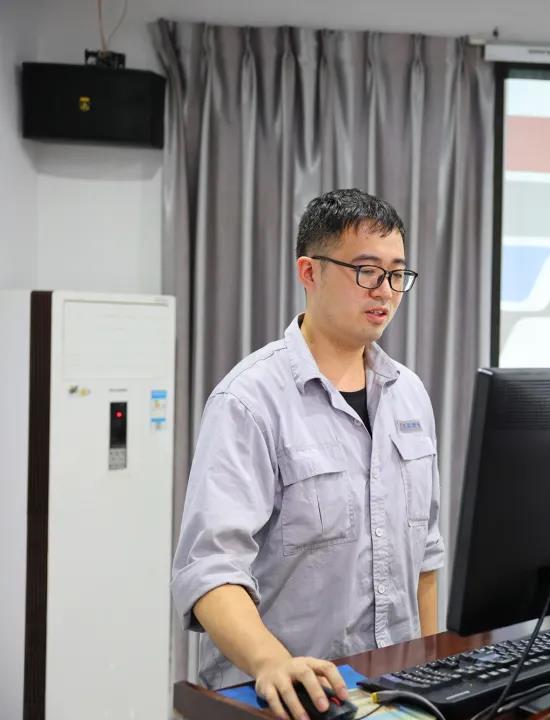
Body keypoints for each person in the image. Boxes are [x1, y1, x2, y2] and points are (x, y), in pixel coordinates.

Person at [171, 189, 444, 720]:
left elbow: (426, 561)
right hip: (282, 698)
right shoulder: (249, 400)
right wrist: (272, 662)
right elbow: (210, 568)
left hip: (391, 696)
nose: (385, 291)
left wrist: (433, 675)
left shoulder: (409, 394)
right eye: (366, 271)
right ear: (309, 272)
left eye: (397, 274)